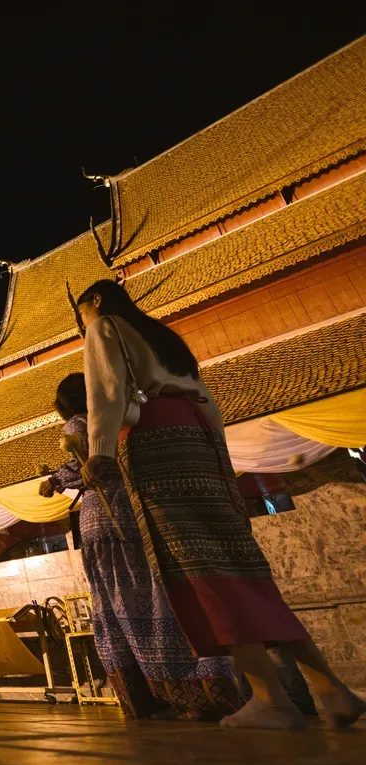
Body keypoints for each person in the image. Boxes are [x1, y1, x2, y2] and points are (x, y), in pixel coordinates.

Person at [75, 279, 366, 730]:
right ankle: (331, 689)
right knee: (240, 563)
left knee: (198, 566)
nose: (82, 328)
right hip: (197, 438)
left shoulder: (105, 326)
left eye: (80, 317)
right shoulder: (163, 337)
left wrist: (100, 452)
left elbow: (107, 391)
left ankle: (272, 698)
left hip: (156, 443)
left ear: (95, 301)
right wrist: (219, 459)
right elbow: (208, 404)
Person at [41, 372, 243, 720]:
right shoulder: (122, 415)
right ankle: (195, 693)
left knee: (121, 600)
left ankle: (150, 697)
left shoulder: (78, 425)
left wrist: (56, 480)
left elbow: (88, 463)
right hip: (134, 512)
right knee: (153, 597)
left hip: (106, 521)